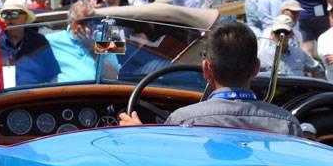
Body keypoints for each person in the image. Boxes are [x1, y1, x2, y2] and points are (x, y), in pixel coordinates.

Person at [119, 21, 302, 137]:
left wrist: (140, 135)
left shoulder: (183, 121)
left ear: (206, 69)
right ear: (256, 67)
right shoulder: (287, 125)